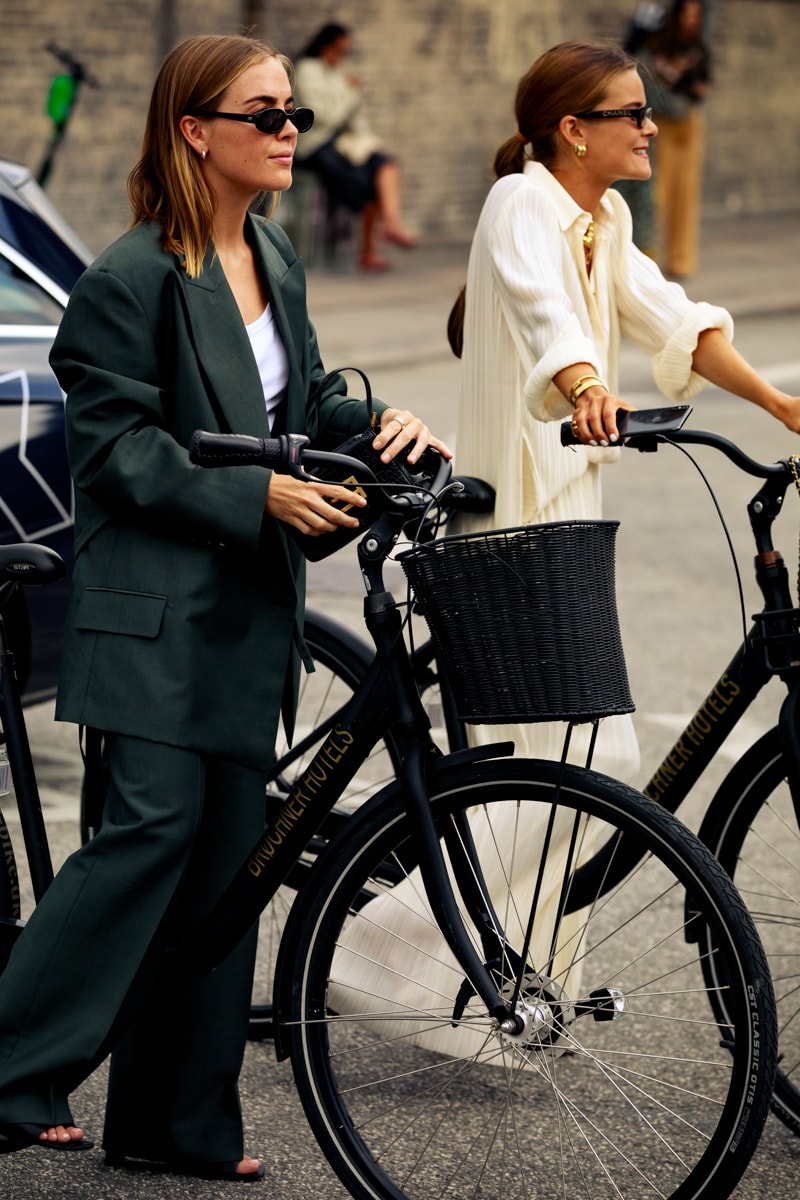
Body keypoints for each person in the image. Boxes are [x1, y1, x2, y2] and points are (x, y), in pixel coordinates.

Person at [0, 33, 449, 1180]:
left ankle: (172, 1126)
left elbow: (302, 404)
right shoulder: (130, 278)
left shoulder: (274, 257)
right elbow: (114, 455)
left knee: (224, 870)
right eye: (267, 114)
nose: (292, 132)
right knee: (146, 840)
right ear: (195, 129)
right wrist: (257, 495)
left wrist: (380, 421)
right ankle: (9, 1064)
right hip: (149, 616)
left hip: (244, 616)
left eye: (293, 112)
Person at [327, 39, 800, 1055]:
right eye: (627, 113)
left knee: (563, 753)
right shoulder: (519, 205)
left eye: (646, 111)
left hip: (565, 513)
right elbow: (544, 314)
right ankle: (378, 955)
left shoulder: (604, 217)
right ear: (571, 130)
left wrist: (772, 400)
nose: (647, 126)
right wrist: (586, 387)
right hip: (507, 518)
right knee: (591, 755)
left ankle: (500, 1002)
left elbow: (665, 312)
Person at [292, 22, 416, 271]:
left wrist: (366, 141)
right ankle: (369, 250)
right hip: (313, 145)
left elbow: (353, 117)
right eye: (340, 49)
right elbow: (324, 116)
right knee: (366, 184)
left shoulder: (337, 73)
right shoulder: (307, 70)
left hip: (341, 142)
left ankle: (391, 225)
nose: (342, 56)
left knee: (384, 163)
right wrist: (351, 92)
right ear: (326, 45)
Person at [636, 0, 712, 277]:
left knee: (686, 191)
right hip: (663, 124)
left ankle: (680, 260)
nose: (691, 19)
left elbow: (703, 87)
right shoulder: (660, 47)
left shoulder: (699, 50)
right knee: (657, 190)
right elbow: (658, 81)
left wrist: (677, 78)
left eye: (696, 14)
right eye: (687, 13)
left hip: (689, 123)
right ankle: (648, 258)